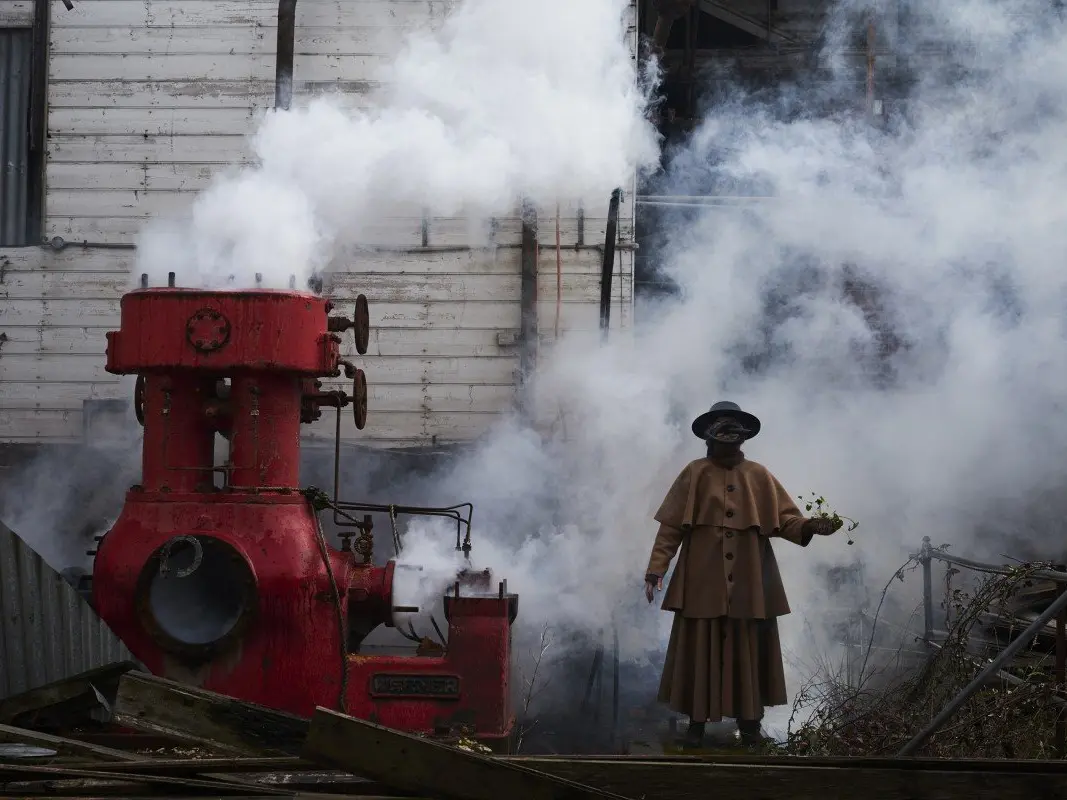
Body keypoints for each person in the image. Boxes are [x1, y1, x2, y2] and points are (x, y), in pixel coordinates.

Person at [643, 401, 841, 749]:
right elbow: (671, 528)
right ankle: (697, 726)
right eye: (722, 426)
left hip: (751, 579)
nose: (728, 431)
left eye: (734, 427)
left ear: (744, 436)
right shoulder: (694, 472)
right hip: (701, 580)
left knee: (748, 645)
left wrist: (812, 525)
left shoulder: (759, 475)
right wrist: (656, 569)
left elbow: (786, 519)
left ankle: (750, 726)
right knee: (700, 645)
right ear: (709, 435)